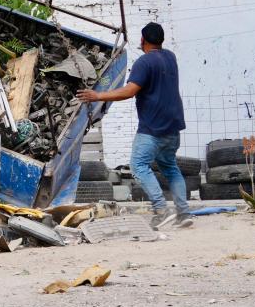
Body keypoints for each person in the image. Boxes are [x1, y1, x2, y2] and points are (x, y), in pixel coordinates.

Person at [76, 22, 190, 229]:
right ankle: (184, 213)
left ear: (142, 40)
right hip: (173, 127)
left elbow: (129, 91)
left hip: (153, 128)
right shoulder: (170, 57)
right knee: (171, 167)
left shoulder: (144, 63)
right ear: (162, 40)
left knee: (139, 166)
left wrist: (97, 95)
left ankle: (161, 209)